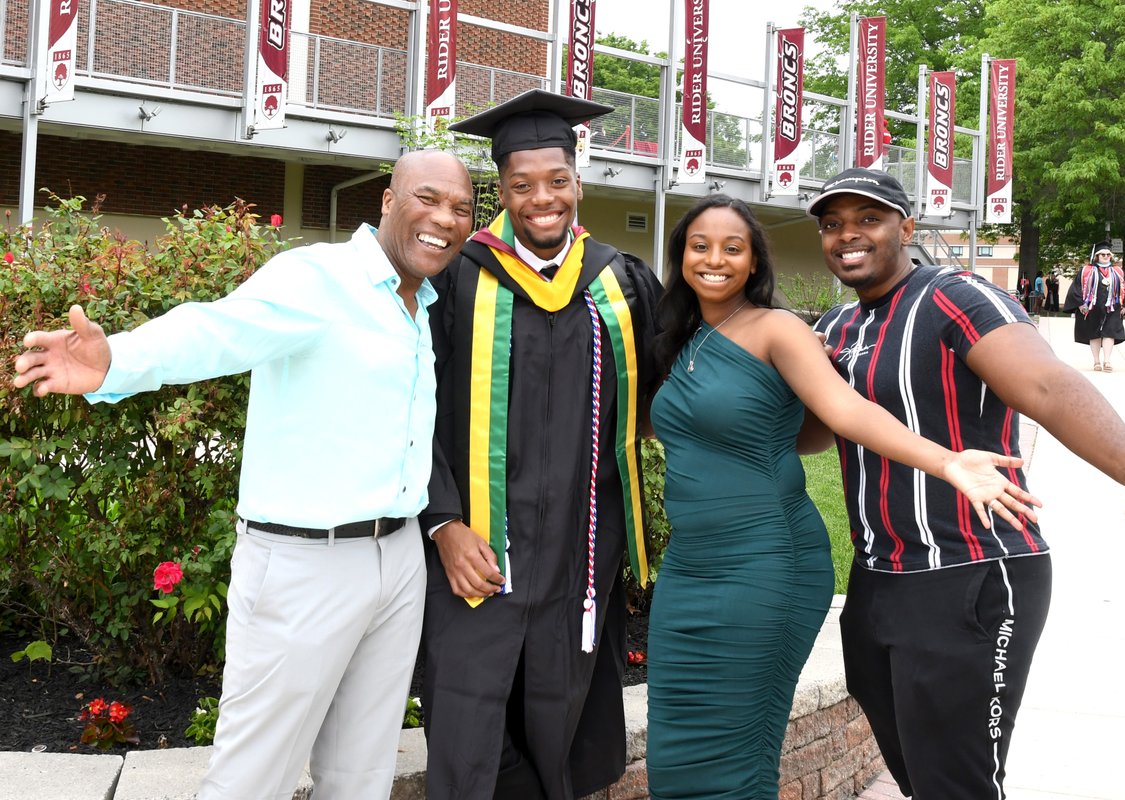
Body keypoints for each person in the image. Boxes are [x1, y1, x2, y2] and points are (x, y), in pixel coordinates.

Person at [12, 150, 476, 800]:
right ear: (388, 201)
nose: (445, 219)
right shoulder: (319, 277)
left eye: (461, 208)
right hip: (305, 565)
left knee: (362, 775)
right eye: (429, 198)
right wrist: (117, 360)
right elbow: (216, 329)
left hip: (397, 559)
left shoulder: (419, 304)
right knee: (251, 781)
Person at [645, 194, 1039, 800]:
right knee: (674, 751)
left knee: (731, 753)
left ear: (754, 262)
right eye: (700, 246)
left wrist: (945, 461)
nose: (714, 260)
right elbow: (747, 430)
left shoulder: (778, 329)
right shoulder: (682, 338)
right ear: (681, 256)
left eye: (732, 248)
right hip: (689, 567)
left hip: (761, 564)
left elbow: (846, 411)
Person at [807, 168, 1125, 800]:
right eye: (832, 224)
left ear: (907, 228)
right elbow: (817, 433)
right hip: (876, 577)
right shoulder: (839, 326)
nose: (848, 235)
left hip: (971, 570)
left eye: (868, 219)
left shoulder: (953, 297)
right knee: (919, 777)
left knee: (957, 784)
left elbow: (1043, 383)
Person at [417, 89, 662, 800]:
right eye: (521, 185)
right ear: (500, 191)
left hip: (580, 547)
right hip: (478, 545)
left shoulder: (619, 282)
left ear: (578, 182)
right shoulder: (456, 280)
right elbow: (409, 409)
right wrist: (442, 523)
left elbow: (670, 391)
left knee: (564, 717)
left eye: (557, 181)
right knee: (468, 721)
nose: (542, 199)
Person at [1063, 242, 1125, 372]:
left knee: (1110, 332)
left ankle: (1107, 361)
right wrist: (1080, 304)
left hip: (1113, 307)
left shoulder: (1118, 271)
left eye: (1108, 254)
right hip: (1092, 308)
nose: (1106, 256)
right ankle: (1096, 361)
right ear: (1096, 256)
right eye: (1103, 254)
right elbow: (1076, 288)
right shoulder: (1086, 271)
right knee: (1094, 333)